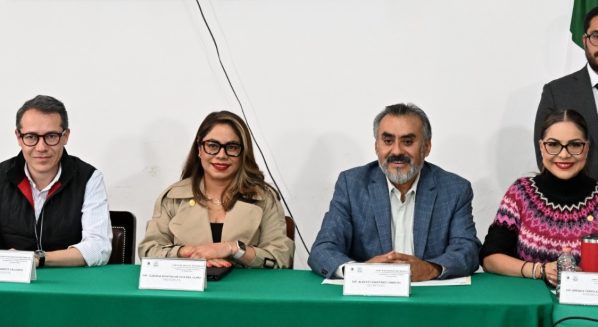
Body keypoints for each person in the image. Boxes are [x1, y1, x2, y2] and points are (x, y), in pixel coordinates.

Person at [308, 103, 481, 281]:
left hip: (429, 299)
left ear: (427, 147)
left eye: (407, 142)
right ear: (377, 146)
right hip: (370, 299)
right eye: (388, 141)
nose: (397, 151)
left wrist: (430, 269)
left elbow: (468, 250)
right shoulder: (352, 185)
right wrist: (361, 272)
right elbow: (323, 249)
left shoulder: (454, 189)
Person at [138, 110, 294, 268]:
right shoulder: (173, 197)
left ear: (243, 153)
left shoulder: (265, 199)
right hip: (186, 290)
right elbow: (149, 251)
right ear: (199, 149)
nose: (221, 155)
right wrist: (188, 252)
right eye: (212, 145)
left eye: (232, 147)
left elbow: (280, 258)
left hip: (246, 290)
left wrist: (232, 248)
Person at [481, 109, 598, 285]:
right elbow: (490, 258)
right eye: (553, 144)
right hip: (529, 304)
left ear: (586, 148)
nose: (564, 154)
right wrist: (539, 270)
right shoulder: (521, 193)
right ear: (542, 147)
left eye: (575, 145)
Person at [0, 95, 112, 267]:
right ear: (18, 137)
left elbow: (99, 248)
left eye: (51, 136)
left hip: (69, 285)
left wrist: (37, 259)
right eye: (31, 137)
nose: (41, 147)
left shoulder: (89, 178)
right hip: (9, 283)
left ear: (65, 136)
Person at [534, 7, 598, 179]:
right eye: (596, 36)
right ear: (585, 40)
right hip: (576, 201)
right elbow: (545, 155)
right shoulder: (556, 92)